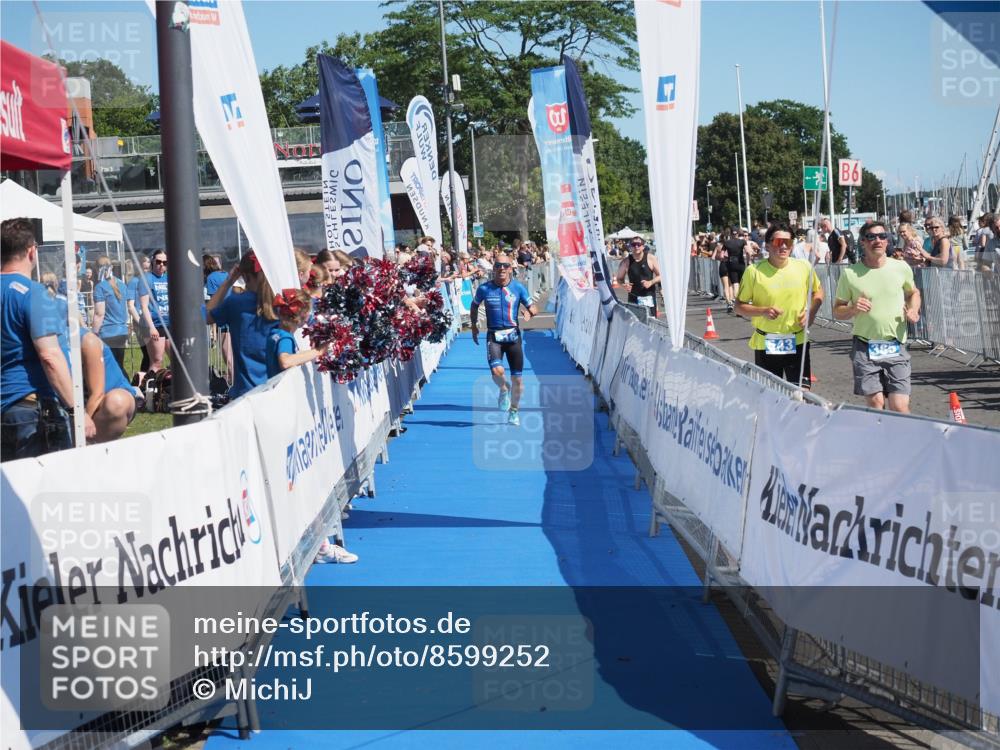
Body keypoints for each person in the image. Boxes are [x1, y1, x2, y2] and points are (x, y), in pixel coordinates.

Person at [2, 218, 95, 459]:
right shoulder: (33, 293)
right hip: (29, 410)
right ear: (32, 251)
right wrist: (76, 410)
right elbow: (50, 356)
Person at [833, 220, 921, 414]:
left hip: (895, 344)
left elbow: (913, 293)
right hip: (865, 347)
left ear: (888, 240)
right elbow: (837, 310)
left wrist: (913, 309)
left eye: (882, 236)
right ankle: (880, 434)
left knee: (899, 406)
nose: (878, 240)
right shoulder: (850, 273)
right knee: (875, 404)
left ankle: (904, 434)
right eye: (871, 237)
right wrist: (853, 309)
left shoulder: (900, 267)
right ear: (863, 242)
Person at [735, 222, 823, 388]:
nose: (783, 246)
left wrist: (811, 312)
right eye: (778, 242)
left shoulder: (804, 267)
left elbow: (818, 292)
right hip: (767, 342)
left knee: (801, 394)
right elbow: (738, 306)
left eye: (787, 242)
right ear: (767, 245)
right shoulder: (753, 271)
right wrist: (763, 311)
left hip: (797, 340)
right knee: (771, 395)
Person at [470, 253, 538, 426]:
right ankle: (503, 388)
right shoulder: (484, 288)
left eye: (505, 266)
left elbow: (533, 307)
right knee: (497, 372)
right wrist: (474, 325)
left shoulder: (518, 288)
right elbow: (474, 305)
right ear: (493, 268)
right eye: (498, 265)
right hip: (494, 336)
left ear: (510, 269)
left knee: (518, 380)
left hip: (513, 338)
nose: (502, 268)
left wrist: (529, 313)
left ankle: (514, 411)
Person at [206, 251, 278, 401]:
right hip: (277, 388)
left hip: (246, 392)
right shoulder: (282, 303)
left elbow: (206, 316)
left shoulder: (236, 303)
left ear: (244, 275)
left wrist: (229, 281)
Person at [265, 289, 327, 378]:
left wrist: (313, 352)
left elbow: (293, 355)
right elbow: (285, 362)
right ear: (300, 318)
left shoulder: (276, 331)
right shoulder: (285, 338)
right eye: (308, 313)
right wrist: (318, 352)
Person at [90, 255, 130, 370]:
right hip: (122, 331)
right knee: (119, 366)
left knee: (108, 368)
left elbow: (99, 314)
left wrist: (94, 333)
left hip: (107, 333)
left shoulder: (100, 287)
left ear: (97, 269)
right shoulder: (122, 284)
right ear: (111, 267)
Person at [139, 249, 170, 373]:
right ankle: (151, 384)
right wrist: (151, 327)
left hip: (169, 323)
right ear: (153, 261)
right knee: (157, 361)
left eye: (164, 262)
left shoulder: (169, 278)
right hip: (155, 324)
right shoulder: (147, 278)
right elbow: (144, 306)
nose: (161, 265)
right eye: (158, 261)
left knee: (177, 359)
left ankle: (168, 382)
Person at [615, 237, 662, 316]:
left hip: (648, 298)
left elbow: (661, 276)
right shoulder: (626, 262)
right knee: (635, 322)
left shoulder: (651, 258)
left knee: (650, 321)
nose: (636, 246)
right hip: (633, 299)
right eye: (634, 244)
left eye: (638, 244)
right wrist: (624, 285)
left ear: (643, 246)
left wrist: (651, 282)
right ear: (630, 247)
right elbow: (619, 279)